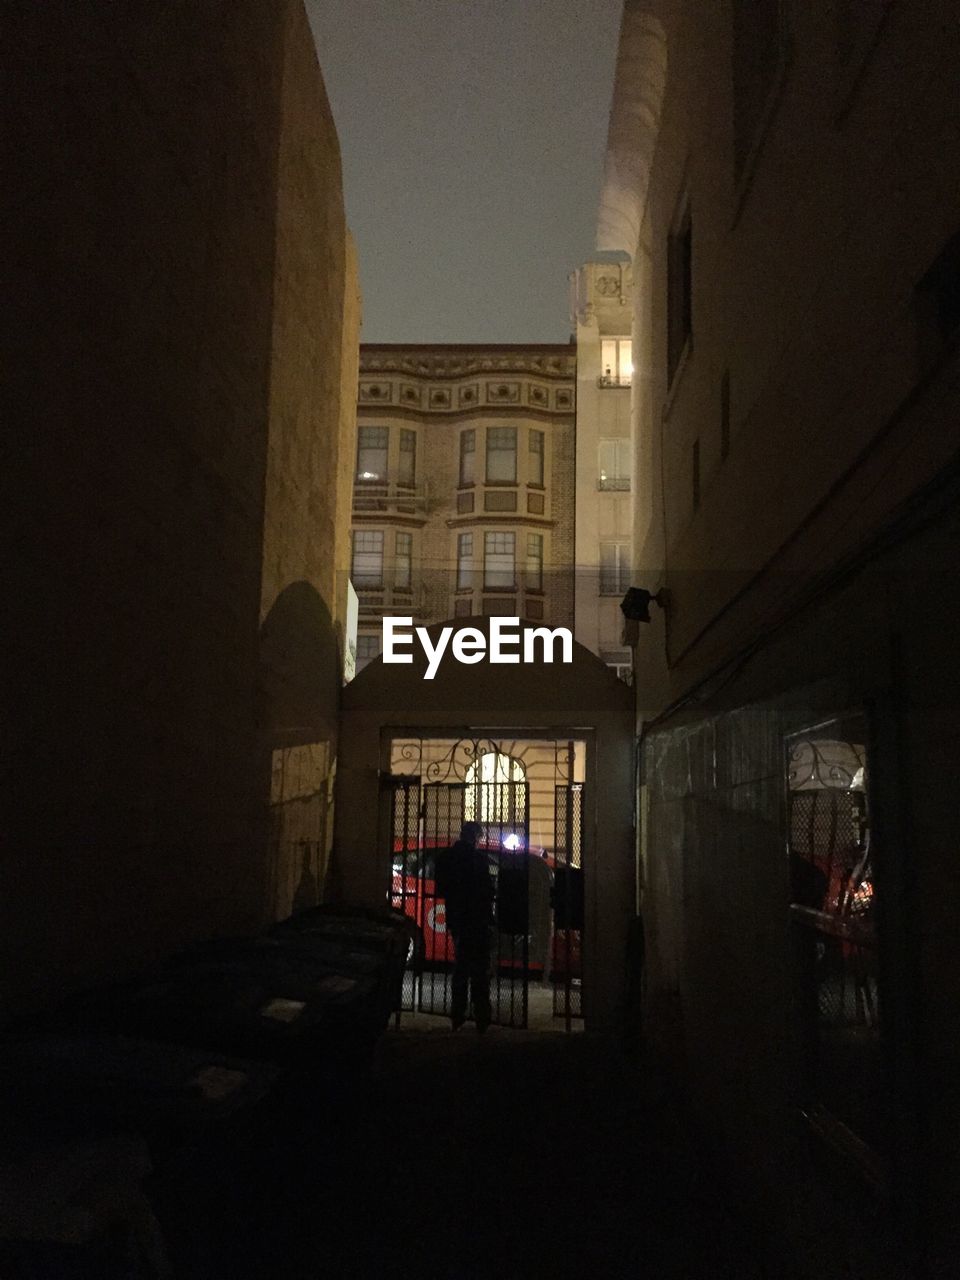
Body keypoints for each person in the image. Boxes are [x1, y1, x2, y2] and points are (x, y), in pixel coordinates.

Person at [434, 821, 495, 1032]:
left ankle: (457, 1015)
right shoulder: (479, 859)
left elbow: (441, 887)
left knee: (461, 967)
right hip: (477, 920)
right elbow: (488, 891)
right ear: (475, 837)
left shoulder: (447, 858)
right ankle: (482, 1018)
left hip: (458, 919)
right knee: (479, 970)